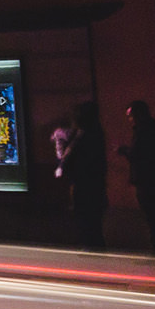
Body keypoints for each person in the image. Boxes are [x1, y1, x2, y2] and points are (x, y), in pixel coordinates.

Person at [117, 100, 155, 254]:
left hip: (146, 180)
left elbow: (138, 155)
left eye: (131, 116)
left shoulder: (142, 132)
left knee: (152, 216)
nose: (130, 120)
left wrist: (124, 151)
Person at [57, 101, 108, 250]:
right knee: (94, 226)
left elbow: (67, 159)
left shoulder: (81, 136)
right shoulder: (96, 134)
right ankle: (95, 253)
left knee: (87, 224)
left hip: (84, 186)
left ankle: (92, 252)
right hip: (95, 186)